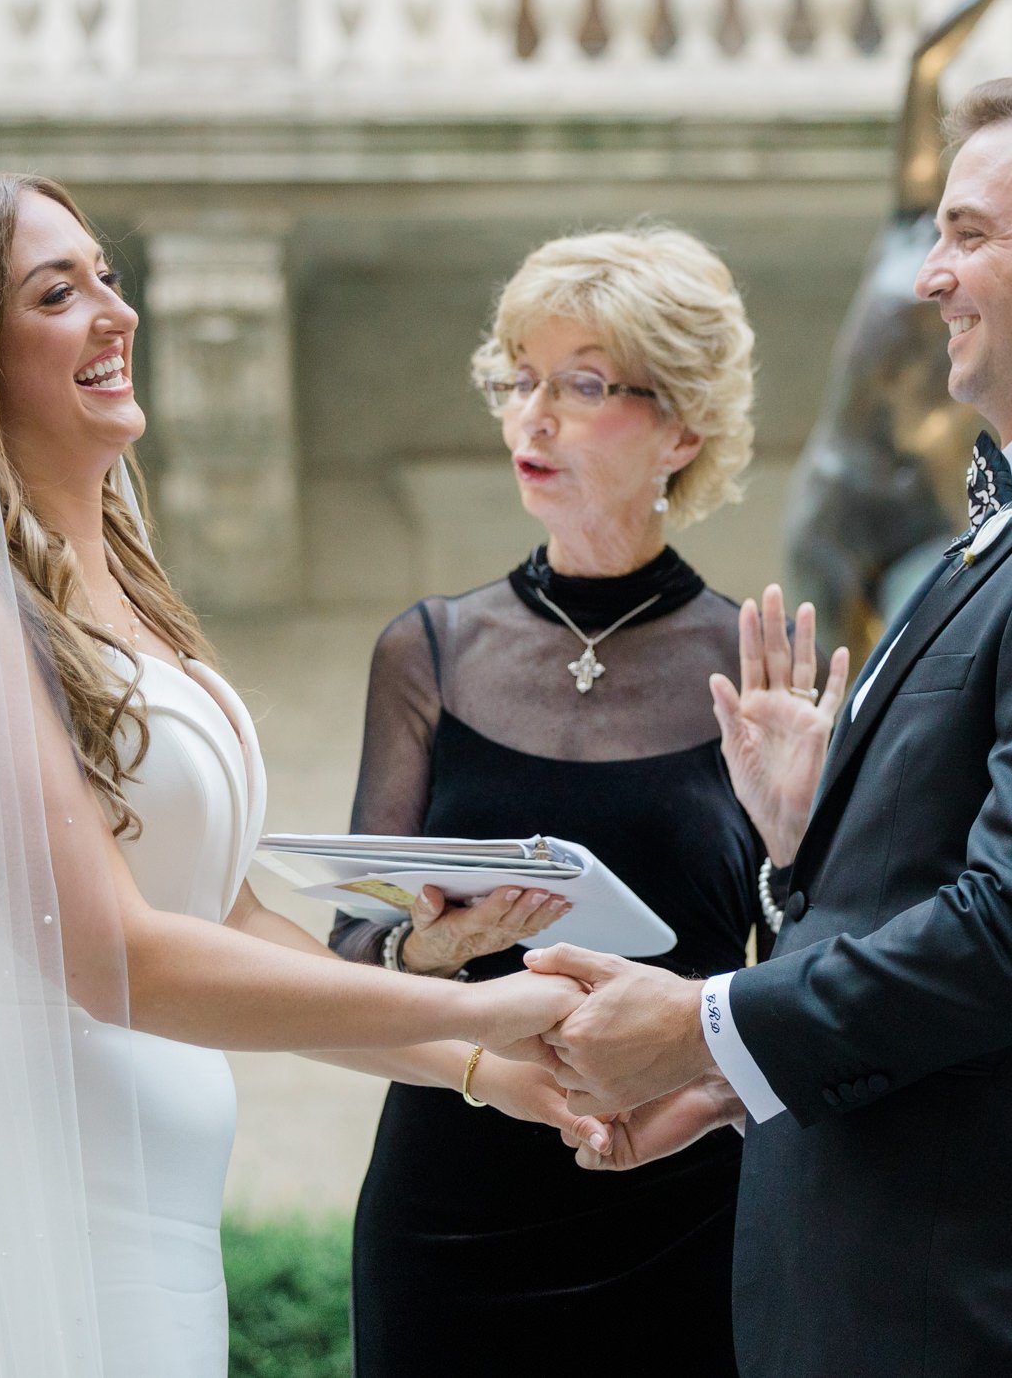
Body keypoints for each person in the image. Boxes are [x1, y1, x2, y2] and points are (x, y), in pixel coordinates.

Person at [0, 173, 595, 1378]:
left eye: (107, 277)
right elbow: (112, 951)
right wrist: (470, 1007)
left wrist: (484, 1069)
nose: (113, 312)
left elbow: (216, 916)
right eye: (55, 292)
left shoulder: (117, 595)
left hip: (137, 1196)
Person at [527, 78, 1012, 1378]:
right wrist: (808, 848)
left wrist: (709, 1019)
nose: (929, 277)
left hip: (977, 1314)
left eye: (971, 233)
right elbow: (936, 907)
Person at [329, 227, 834, 1378]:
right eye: (521, 379)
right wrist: (425, 939)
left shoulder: (755, 673)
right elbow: (349, 954)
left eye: (584, 383)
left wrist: (798, 838)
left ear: (684, 426)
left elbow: (817, 959)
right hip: (446, 1204)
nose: (533, 416)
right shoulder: (429, 653)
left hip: (680, 1197)